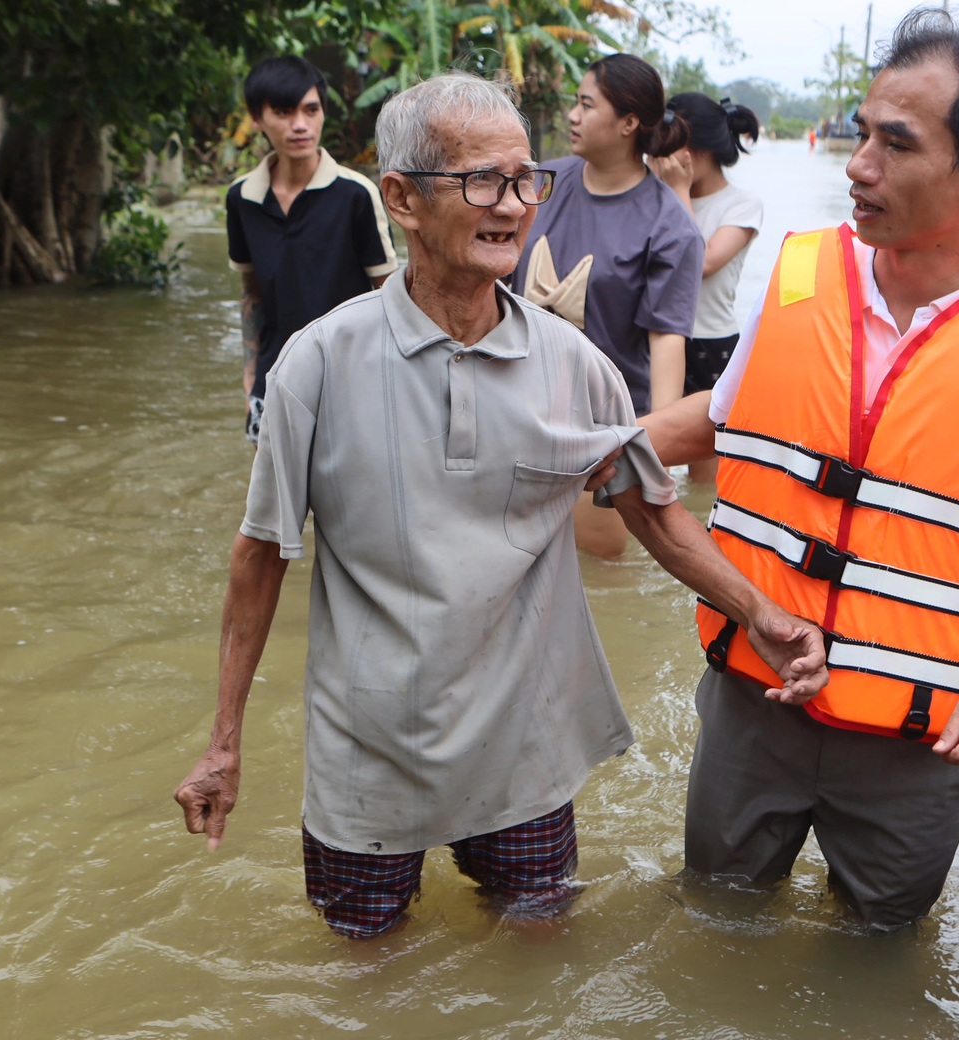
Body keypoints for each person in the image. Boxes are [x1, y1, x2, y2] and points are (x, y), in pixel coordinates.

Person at [173, 72, 826, 941]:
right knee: (364, 971)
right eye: (483, 181)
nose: (514, 206)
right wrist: (224, 741)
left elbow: (656, 516)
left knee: (538, 957)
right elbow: (260, 555)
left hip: (525, 748)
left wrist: (761, 614)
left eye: (525, 180)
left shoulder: (575, 365)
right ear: (402, 199)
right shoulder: (318, 364)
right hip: (367, 747)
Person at [639, 10, 959, 930]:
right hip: (756, 694)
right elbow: (719, 419)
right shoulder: (801, 279)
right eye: (862, 134)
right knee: (714, 919)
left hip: (921, 740)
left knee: (878, 946)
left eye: (895, 145)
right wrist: (593, 442)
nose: (858, 166)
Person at [511, 53, 704, 557]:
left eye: (586, 104)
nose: (572, 115)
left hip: (601, 433)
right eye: (575, 103)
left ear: (628, 123)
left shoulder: (669, 226)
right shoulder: (541, 184)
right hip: (513, 407)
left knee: (599, 571)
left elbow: (667, 343)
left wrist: (653, 451)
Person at [226, 55, 398, 443]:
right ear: (256, 118)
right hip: (272, 382)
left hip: (349, 384)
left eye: (311, 110)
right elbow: (252, 292)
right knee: (272, 484)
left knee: (349, 484)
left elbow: (388, 296)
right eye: (283, 112)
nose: (300, 125)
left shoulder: (356, 195)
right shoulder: (242, 198)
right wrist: (250, 376)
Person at [650, 92, 763, 484]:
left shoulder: (742, 204)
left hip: (710, 346)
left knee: (705, 482)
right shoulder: (653, 194)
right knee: (649, 464)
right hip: (658, 340)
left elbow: (702, 263)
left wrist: (679, 191)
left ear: (697, 150)